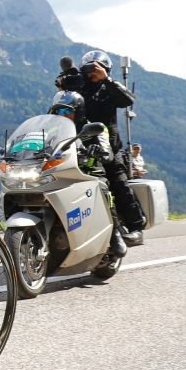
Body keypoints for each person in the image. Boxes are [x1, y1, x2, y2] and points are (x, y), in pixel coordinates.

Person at [56, 50, 145, 240]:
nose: (91, 72)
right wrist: (63, 85)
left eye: (97, 68)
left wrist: (106, 79)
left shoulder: (110, 87)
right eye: (88, 69)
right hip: (79, 144)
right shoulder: (79, 87)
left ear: (106, 70)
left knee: (118, 182)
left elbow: (128, 100)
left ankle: (136, 227)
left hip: (109, 146)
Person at [48, 91, 127, 259]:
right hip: (61, 173)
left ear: (79, 112)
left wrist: (99, 151)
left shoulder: (96, 128)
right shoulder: (51, 131)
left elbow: (108, 153)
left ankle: (115, 234)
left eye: (66, 111)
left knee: (102, 187)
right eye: (58, 112)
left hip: (89, 173)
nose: (62, 115)